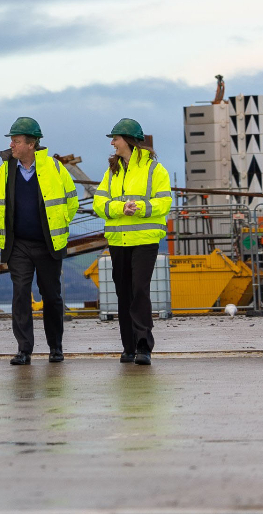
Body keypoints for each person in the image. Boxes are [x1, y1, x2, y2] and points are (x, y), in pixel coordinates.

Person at [0, 116, 79, 365]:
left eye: (16, 140)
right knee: (20, 293)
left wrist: (58, 222)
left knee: (51, 295)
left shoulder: (54, 168)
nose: (12, 145)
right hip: (18, 244)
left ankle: (56, 347)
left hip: (47, 243)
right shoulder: (4, 170)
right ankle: (24, 349)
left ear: (31, 144)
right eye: (11, 140)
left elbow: (71, 200)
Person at [94, 118, 173, 365]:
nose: (112, 143)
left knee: (139, 290)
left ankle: (143, 346)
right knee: (123, 293)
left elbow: (164, 202)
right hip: (118, 241)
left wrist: (138, 207)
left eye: (115, 138)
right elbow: (99, 203)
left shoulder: (154, 169)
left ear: (127, 140)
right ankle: (128, 347)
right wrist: (120, 208)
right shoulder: (112, 171)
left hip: (144, 240)